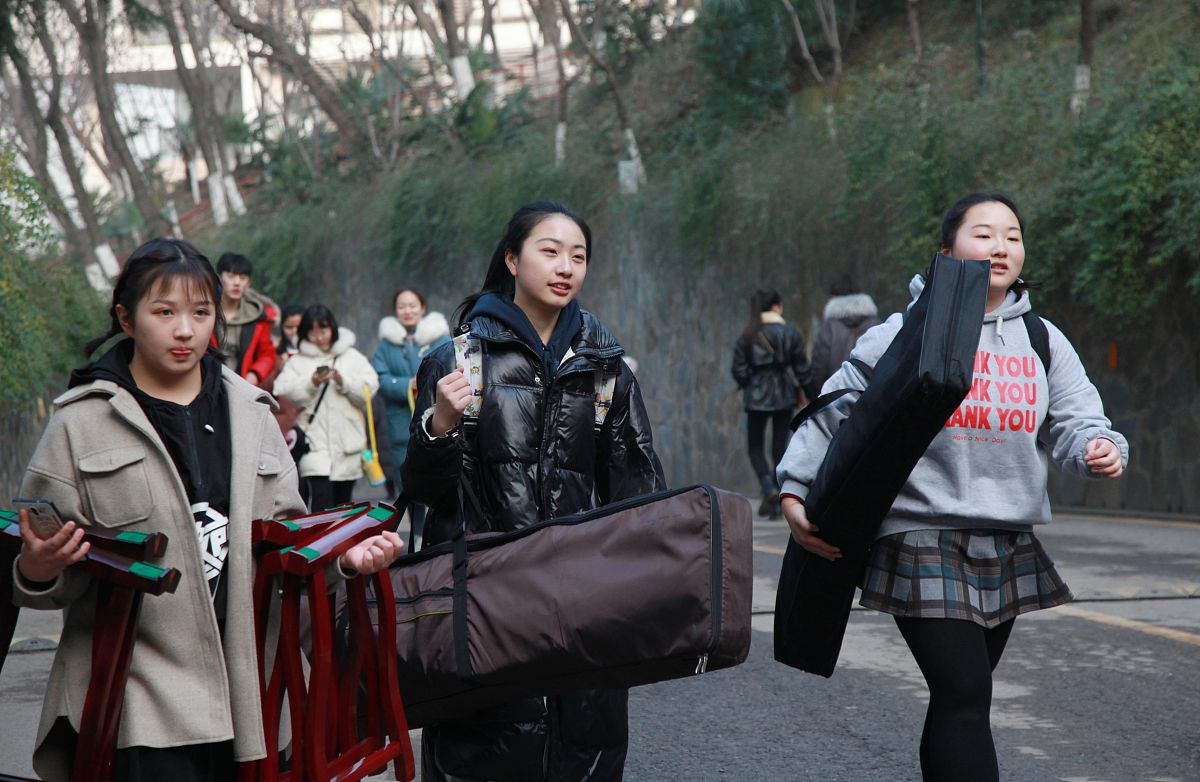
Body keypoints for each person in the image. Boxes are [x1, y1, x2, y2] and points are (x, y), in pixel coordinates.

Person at [11, 238, 404, 782]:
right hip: (136, 696)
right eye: (164, 311)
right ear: (126, 318)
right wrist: (37, 568)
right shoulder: (79, 424)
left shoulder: (253, 412)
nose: (184, 330)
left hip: (254, 689)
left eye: (200, 312)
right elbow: (39, 559)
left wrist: (343, 558)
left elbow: (286, 540)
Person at [777, 192, 1128, 782]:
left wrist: (1100, 449)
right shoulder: (906, 331)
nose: (1000, 246)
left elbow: (1078, 418)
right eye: (983, 233)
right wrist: (794, 487)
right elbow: (837, 407)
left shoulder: (1042, 339)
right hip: (920, 533)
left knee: (964, 700)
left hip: (1005, 537)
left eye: (1012, 235)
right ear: (946, 252)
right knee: (964, 692)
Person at [402, 200, 665, 782]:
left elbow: (641, 490)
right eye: (549, 251)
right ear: (512, 260)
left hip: (583, 607)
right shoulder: (456, 362)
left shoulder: (606, 372)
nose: (565, 266)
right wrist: (439, 425)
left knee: (584, 752)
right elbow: (423, 491)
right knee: (487, 753)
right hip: (485, 603)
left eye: (578, 256)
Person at [274, 305, 379, 513]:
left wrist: (343, 381)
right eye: (312, 332)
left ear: (333, 329)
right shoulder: (298, 361)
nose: (319, 337)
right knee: (321, 500)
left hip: (347, 441)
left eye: (323, 330)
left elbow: (371, 386)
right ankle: (322, 543)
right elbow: (282, 390)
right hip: (314, 441)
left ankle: (341, 544)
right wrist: (311, 382)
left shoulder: (351, 356)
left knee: (344, 501)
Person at [371, 288, 451, 549]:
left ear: (423, 308)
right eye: (402, 306)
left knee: (437, 480)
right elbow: (379, 378)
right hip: (399, 427)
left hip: (435, 421)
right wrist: (407, 384)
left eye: (412, 306)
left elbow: (451, 368)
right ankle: (413, 539)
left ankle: (433, 538)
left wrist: (426, 384)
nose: (407, 311)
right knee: (407, 484)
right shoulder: (386, 345)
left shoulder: (440, 338)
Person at [730, 288, 812, 519]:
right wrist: (815, 395)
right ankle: (780, 494)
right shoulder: (791, 333)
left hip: (756, 396)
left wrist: (752, 382)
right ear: (776, 306)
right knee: (780, 448)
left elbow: (738, 370)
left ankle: (768, 488)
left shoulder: (748, 335)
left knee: (755, 447)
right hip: (784, 394)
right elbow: (803, 370)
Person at [213, 252, 276, 389]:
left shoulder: (258, 317)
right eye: (231, 276)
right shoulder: (205, 312)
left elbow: (267, 354)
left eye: (242, 278)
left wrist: (254, 375)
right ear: (219, 278)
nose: (237, 283)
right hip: (207, 386)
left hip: (242, 386)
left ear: (248, 283)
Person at [808, 273, 880, 392]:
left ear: (834, 297)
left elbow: (819, 367)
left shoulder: (829, 327)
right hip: (872, 397)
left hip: (836, 397)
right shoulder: (876, 324)